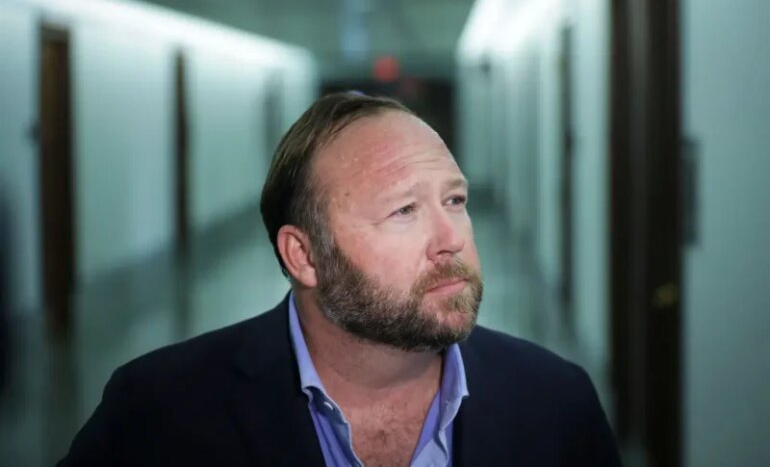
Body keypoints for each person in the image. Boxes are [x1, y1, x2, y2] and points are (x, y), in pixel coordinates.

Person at [58, 92, 621, 466]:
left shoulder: (558, 401)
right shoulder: (157, 412)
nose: (452, 237)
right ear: (303, 255)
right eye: (404, 211)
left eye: (455, 199)